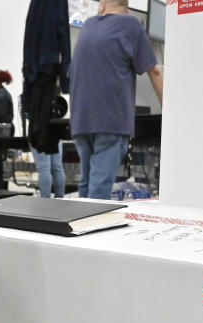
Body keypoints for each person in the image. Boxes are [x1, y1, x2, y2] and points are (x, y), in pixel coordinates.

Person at [69, 0, 163, 199]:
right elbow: (154, 70)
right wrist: (169, 110)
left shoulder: (88, 26)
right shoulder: (130, 24)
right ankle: (91, 226)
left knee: (86, 184)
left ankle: (79, 225)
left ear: (101, 5)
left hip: (81, 120)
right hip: (110, 119)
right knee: (99, 189)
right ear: (127, 9)